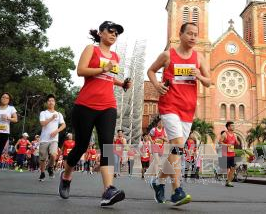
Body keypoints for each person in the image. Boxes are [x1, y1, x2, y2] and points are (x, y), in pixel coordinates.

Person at [58, 21, 132, 207]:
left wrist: (121, 84)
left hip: (108, 105)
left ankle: (108, 189)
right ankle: (66, 175)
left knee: (107, 145)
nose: (114, 35)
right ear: (100, 33)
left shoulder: (115, 56)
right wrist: (103, 68)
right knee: (81, 146)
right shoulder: (91, 49)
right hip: (86, 105)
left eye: (117, 33)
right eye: (111, 31)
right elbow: (81, 71)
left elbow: (107, 77)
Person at [147, 22, 211, 206]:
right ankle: (177, 190)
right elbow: (151, 70)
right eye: (189, 33)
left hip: (187, 108)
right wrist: (157, 85)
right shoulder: (168, 55)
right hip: (169, 105)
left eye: (195, 34)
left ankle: (158, 181)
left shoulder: (199, 58)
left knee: (178, 149)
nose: (193, 37)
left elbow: (208, 82)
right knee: (177, 144)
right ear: (181, 34)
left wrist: (199, 75)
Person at [38, 94, 66, 181]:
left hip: (54, 139)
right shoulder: (43, 113)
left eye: (52, 101)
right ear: (47, 103)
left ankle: (50, 167)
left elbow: (63, 125)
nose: (51, 102)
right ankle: (42, 173)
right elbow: (42, 123)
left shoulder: (58, 114)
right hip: (44, 139)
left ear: (55, 103)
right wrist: (51, 118)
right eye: (49, 101)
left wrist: (56, 131)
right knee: (43, 158)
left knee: (53, 154)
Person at [219, 122, 239, 187]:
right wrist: (227, 145)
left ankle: (228, 181)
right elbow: (220, 142)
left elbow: (236, 143)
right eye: (232, 126)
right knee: (228, 168)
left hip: (232, 153)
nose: (233, 127)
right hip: (226, 154)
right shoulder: (225, 134)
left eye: (234, 126)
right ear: (228, 127)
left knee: (233, 168)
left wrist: (237, 142)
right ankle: (228, 181)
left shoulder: (234, 135)